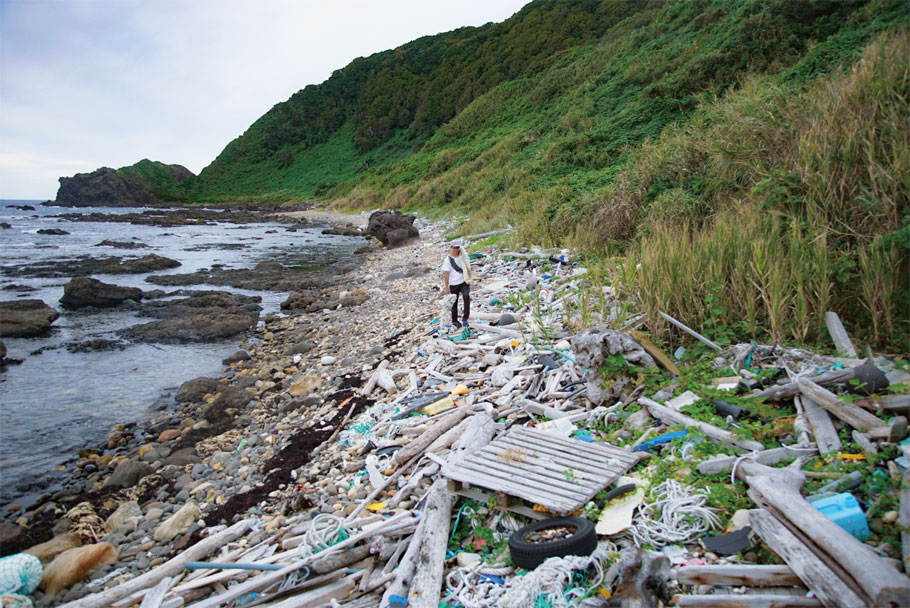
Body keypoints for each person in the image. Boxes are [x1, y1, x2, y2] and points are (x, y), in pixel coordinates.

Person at [441, 239, 472, 328]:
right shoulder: (448, 260)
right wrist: (446, 287)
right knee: (454, 303)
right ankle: (455, 320)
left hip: (463, 281)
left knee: (466, 296)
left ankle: (465, 318)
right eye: (454, 248)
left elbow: (467, 265)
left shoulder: (463, 256)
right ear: (451, 247)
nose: (456, 249)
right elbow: (446, 275)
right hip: (453, 284)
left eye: (458, 247)